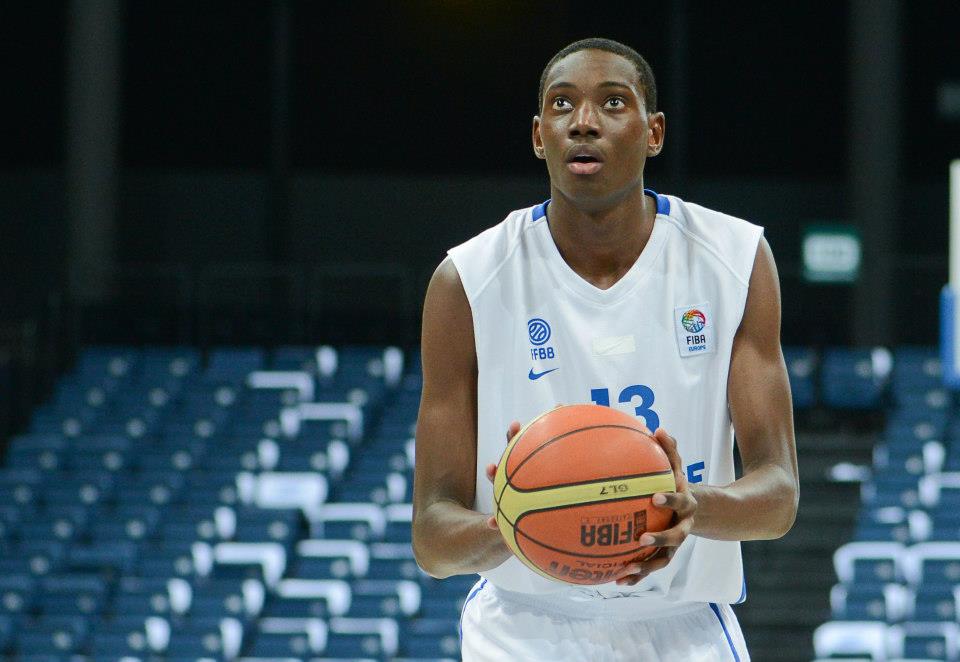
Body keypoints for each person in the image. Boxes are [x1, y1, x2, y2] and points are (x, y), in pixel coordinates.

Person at [412, 37, 798, 662]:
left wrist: (689, 509)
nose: (583, 122)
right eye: (562, 105)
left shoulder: (735, 259)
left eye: (613, 102)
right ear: (539, 136)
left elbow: (778, 497)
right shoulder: (467, 281)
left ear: (655, 133)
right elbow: (432, 538)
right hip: (521, 630)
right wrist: (522, 520)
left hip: (682, 627)